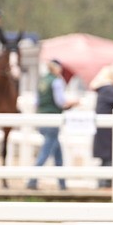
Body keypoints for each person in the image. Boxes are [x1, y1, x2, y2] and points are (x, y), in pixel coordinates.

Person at [27, 59, 77, 191]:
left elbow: (36, 102)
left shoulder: (42, 80)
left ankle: (62, 183)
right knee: (46, 151)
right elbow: (60, 102)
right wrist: (73, 103)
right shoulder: (56, 81)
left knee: (57, 152)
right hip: (52, 118)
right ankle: (32, 180)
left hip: (41, 117)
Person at [91, 66, 113, 189]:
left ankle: (104, 182)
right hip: (106, 130)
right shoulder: (107, 89)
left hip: (105, 130)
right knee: (108, 156)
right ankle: (104, 183)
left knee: (107, 156)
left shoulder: (104, 89)